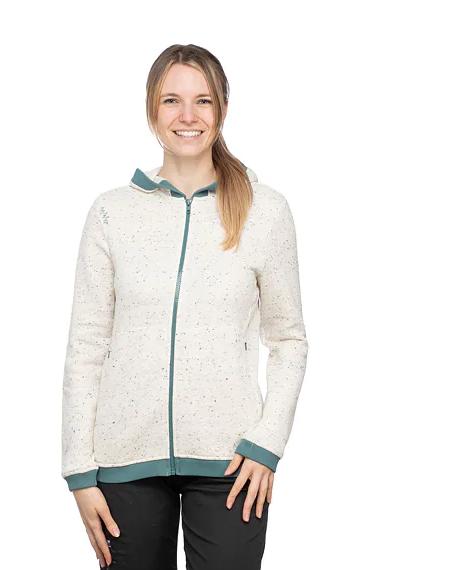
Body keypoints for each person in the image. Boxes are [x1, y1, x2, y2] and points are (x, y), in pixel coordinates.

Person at [61, 44, 309, 570]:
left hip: (232, 463)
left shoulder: (265, 211)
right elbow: (87, 346)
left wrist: (268, 441)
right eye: (172, 100)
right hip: (124, 460)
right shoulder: (111, 213)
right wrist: (78, 471)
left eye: (203, 101)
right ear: (152, 110)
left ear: (223, 109)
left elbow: (288, 339)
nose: (188, 116)